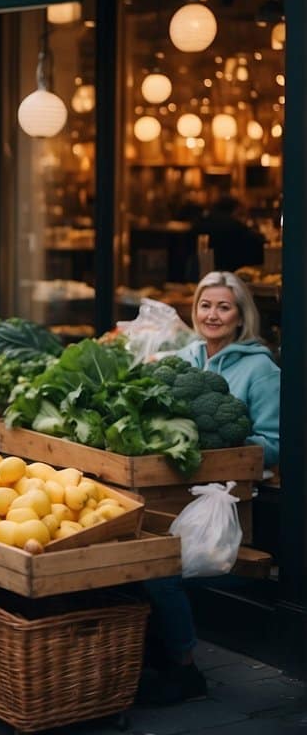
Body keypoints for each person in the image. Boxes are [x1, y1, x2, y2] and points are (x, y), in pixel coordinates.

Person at [141, 271, 281, 705]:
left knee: (159, 572)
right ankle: (146, 661)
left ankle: (184, 671)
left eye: (224, 307)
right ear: (195, 310)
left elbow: (275, 444)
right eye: (205, 305)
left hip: (228, 509)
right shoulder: (184, 357)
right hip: (170, 499)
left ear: (241, 317)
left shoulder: (261, 369)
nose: (213, 315)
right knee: (124, 557)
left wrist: (221, 449)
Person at [194, 196, 265, 273]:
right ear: (233, 210)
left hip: (202, 273)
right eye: (240, 213)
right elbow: (258, 247)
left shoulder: (201, 223)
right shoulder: (234, 226)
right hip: (234, 272)